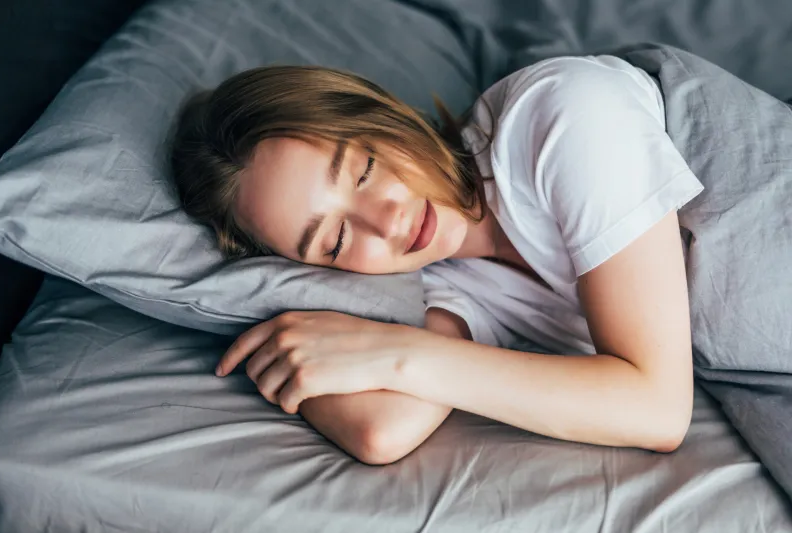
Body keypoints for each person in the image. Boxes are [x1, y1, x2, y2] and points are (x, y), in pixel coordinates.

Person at [170, 55, 704, 465]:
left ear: (380, 112)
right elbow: (381, 429)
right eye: (334, 241)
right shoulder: (452, 283)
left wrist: (398, 354)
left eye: (364, 170)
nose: (387, 222)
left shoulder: (564, 112)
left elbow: (658, 409)